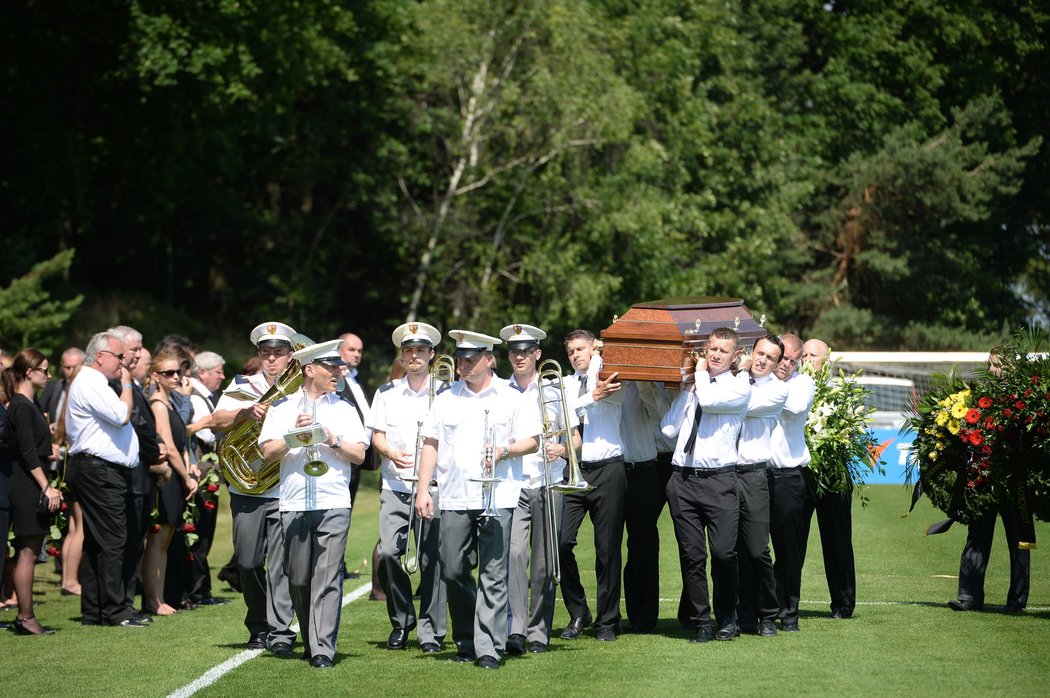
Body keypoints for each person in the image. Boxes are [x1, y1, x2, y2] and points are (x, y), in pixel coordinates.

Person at [414, 330, 541, 670]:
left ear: (488, 360)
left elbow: (532, 441)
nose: (462, 365)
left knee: (494, 573)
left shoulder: (511, 397)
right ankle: (468, 638)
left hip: (498, 494)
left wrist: (504, 450)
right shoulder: (445, 397)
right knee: (453, 570)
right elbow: (430, 444)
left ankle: (488, 647)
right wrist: (424, 488)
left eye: (470, 359)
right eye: (459, 359)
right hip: (454, 495)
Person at [260, 339, 368, 669]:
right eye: (332, 367)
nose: (339, 372)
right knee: (298, 579)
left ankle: (322, 648)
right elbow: (267, 452)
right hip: (293, 502)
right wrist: (296, 435)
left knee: (328, 576)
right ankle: (311, 639)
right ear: (311, 370)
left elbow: (360, 455)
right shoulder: (281, 408)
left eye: (339, 367)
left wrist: (332, 438)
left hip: (333, 500)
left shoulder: (345, 408)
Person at [209, 322, 297, 653]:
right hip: (246, 489)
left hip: (283, 488)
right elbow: (216, 420)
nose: (272, 360)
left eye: (278, 353)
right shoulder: (243, 384)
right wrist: (246, 412)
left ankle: (278, 632)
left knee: (279, 565)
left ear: (290, 355)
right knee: (246, 562)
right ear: (258, 355)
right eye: (266, 354)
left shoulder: (300, 389)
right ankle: (258, 620)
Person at [660, 326, 751, 643]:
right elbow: (668, 430)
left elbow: (711, 401)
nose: (714, 354)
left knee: (725, 554)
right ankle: (701, 622)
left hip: (719, 481)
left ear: (735, 355)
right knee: (692, 556)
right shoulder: (696, 388)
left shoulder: (739, 387)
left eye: (722, 351)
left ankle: (728, 617)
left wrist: (698, 374)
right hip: (683, 479)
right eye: (711, 348)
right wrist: (686, 392)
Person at [501, 323, 581, 654]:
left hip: (548, 481)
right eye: (514, 352)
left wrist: (561, 450)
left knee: (545, 564)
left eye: (525, 352)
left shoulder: (554, 389)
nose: (519, 357)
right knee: (515, 556)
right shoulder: (499, 391)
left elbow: (575, 438)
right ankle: (515, 629)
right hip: (513, 484)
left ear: (537, 354)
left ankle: (538, 631)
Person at [370, 322, 448, 654]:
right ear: (401, 355)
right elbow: (377, 436)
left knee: (433, 561)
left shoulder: (447, 390)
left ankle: (432, 631)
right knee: (389, 553)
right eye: (408, 351)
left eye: (420, 350)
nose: (413, 356)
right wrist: (389, 452)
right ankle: (402, 621)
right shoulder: (386, 392)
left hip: (435, 485)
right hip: (396, 484)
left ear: (431, 354)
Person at [66, 331, 147, 627]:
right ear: (100, 356)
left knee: (97, 541)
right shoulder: (90, 382)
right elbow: (120, 415)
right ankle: (114, 610)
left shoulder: (93, 382)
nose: (123, 363)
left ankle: (95, 609)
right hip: (98, 471)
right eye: (119, 357)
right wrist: (127, 384)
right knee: (114, 539)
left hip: (97, 469)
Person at [948, 347, 1029, 614]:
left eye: (998, 364)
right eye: (990, 364)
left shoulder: (1027, 400)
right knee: (977, 538)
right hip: (984, 481)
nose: (993, 369)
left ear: (1013, 367)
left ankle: (1016, 602)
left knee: (1019, 542)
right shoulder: (982, 398)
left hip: (1014, 482)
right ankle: (968, 598)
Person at [559, 329, 626, 642]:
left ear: (593, 350)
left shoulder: (609, 374)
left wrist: (600, 352)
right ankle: (578, 612)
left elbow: (601, 390)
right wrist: (590, 397)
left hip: (608, 470)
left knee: (607, 550)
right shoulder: (564, 385)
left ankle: (608, 622)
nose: (576, 355)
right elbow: (567, 415)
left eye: (581, 349)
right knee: (560, 543)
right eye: (571, 350)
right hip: (574, 470)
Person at [1, 349, 63, 634]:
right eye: (45, 370)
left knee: (31, 549)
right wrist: (46, 486)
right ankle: (26, 617)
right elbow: (26, 451)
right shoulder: (22, 406)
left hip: (27, 481)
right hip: (26, 485)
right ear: (29, 372)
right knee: (28, 551)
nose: (49, 376)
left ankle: (25, 615)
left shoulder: (29, 404)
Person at [105, 325, 162, 617]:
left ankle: (126, 599)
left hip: (139, 473)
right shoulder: (118, 383)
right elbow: (137, 422)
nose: (139, 354)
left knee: (133, 541)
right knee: (125, 542)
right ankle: (121, 602)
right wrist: (157, 451)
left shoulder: (130, 382)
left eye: (140, 349)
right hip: (133, 472)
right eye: (135, 349)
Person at [734, 335, 788, 637]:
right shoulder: (735, 380)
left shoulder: (778, 391)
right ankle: (741, 615)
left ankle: (768, 613)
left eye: (769, 357)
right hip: (727, 473)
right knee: (731, 551)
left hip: (755, 476)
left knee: (756, 550)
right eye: (758, 353)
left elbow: (742, 405)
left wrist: (738, 372)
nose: (762, 359)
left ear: (777, 363)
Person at [796, 337, 853, 620]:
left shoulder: (842, 390)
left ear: (827, 359)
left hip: (833, 474)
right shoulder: (793, 387)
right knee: (793, 540)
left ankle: (843, 603)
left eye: (812, 355)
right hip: (801, 473)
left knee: (837, 539)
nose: (806, 359)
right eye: (803, 354)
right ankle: (787, 602)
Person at [143, 351, 200, 615]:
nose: (175, 377)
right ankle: (153, 599)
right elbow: (170, 447)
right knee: (158, 540)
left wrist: (190, 470)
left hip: (177, 477)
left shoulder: (171, 402)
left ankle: (159, 597)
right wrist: (186, 476)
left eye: (177, 372)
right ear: (155, 376)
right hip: (168, 479)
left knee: (164, 540)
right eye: (168, 373)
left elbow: (183, 443)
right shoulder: (158, 404)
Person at [771, 334, 818, 630]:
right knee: (751, 546)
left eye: (792, 359)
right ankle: (756, 610)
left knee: (789, 550)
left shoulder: (803, 383)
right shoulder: (758, 379)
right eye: (782, 358)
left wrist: (761, 380)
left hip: (788, 477)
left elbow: (794, 407)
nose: (786, 364)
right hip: (755, 474)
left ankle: (788, 613)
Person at [619, 378, 670, 634]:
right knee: (622, 544)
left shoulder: (652, 383)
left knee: (646, 541)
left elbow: (663, 415)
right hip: (627, 465)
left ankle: (648, 615)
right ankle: (628, 614)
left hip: (660, 462)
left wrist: (644, 384)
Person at [186, 350, 227, 606]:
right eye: (218, 371)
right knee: (200, 532)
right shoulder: (195, 397)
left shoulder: (205, 396)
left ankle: (202, 589)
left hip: (208, 473)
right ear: (203, 372)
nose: (223, 376)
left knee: (205, 533)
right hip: (201, 472)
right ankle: (198, 591)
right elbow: (207, 435)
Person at [338, 332, 373, 506]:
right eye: (351, 349)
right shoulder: (334, 381)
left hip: (357, 458)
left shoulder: (355, 379)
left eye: (359, 350)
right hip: (340, 455)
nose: (356, 354)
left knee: (346, 512)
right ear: (338, 350)